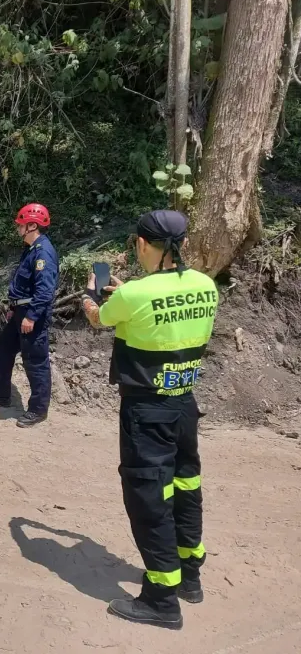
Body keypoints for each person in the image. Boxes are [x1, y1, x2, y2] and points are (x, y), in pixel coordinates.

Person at [80, 210, 218, 630]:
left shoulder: (134, 295)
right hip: (184, 404)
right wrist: (128, 294)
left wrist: (92, 294)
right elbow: (161, 306)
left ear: (142, 244)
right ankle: (189, 578)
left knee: (147, 497)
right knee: (186, 485)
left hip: (146, 409)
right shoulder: (206, 285)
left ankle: (161, 600)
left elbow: (97, 318)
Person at [0, 203, 59, 428]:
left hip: (31, 314)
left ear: (32, 226)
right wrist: (15, 307)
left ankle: (38, 409)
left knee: (35, 361)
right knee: (4, 347)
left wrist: (32, 316)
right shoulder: (31, 250)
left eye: (21, 225)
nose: (18, 228)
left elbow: (45, 290)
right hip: (21, 311)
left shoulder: (43, 251)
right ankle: (0, 395)